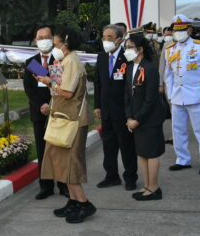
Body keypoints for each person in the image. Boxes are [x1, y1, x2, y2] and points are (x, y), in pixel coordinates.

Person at [36, 26, 96, 223]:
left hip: (73, 120)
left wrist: (48, 82)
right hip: (63, 117)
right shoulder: (64, 60)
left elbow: (68, 93)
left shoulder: (72, 61)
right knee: (60, 162)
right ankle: (73, 201)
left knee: (71, 164)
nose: (53, 46)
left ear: (66, 43)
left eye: (56, 42)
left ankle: (84, 203)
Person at [164, 14, 200, 174]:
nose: (178, 33)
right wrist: (170, 95)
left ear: (190, 30)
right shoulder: (169, 49)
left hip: (197, 95)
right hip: (177, 95)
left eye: (182, 30)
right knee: (178, 130)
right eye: (176, 30)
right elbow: (168, 75)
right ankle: (182, 159)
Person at [23, 25, 68, 200]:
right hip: (39, 113)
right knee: (43, 151)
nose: (44, 40)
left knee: (59, 150)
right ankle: (46, 186)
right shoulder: (32, 62)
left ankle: (64, 185)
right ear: (35, 40)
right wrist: (41, 105)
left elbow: (59, 85)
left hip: (57, 112)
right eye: (40, 38)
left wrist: (51, 105)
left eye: (47, 37)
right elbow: (29, 88)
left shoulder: (59, 59)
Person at [94, 24, 138, 190]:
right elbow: (98, 83)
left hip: (123, 110)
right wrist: (97, 105)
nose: (106, 41)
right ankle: (111, 176)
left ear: (119, 39)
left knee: (127, 146)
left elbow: (131, 86)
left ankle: (130, 177)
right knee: (109, 145)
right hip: (106, 110)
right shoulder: (102, 57)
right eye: (104, 37)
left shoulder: (127, 57)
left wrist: (131, 112)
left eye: (110, 37)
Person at [124, 33, 165, 201]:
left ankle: (154, 188)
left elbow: (150, 99)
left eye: (130, 47)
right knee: (142, 153)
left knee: (152, 153)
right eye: (126, 48)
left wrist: (137, 119)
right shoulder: (129, 67)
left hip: (149, 119)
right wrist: (128, 117)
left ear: (140, 49)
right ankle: (147, 185)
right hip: (134, 118)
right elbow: (126, 94)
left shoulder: (150, 68)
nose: (127, 51)